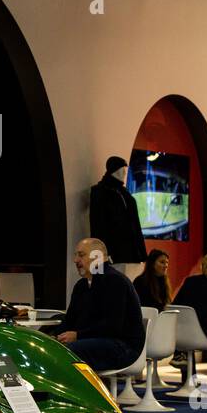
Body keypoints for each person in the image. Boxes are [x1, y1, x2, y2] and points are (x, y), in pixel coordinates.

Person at [50, 238, 146, 372]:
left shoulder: (115, 281)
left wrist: (78, 335)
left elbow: (112, 326)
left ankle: (76, 391)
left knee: (69, 351)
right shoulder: (81, 285)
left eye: (81, 255)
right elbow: (70, 319)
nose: (75, 260)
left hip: (123, 346)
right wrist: (54, 335)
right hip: (97, 341)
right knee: (47, 344)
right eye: (76, 255)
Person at [89, 156, 147, 273]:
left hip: (130, 252)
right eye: (121, 170)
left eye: (125, 171)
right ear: (113, 171)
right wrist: (104, 252)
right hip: (115, 252)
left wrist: (141, 252)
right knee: (113, 284)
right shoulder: (100, 191)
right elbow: (97, 224)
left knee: (127, 285)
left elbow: (135, 223)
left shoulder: (124, 193)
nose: (124, 174)